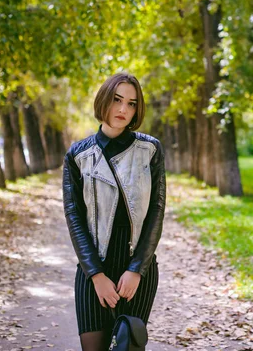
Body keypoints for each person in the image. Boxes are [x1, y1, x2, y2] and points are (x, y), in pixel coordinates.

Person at [62, 72, 166, 350]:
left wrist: (136, 269)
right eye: (117, 100)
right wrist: (96, 274)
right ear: (103, 100)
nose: (123, 109)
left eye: (132, 103)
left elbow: (157, 212)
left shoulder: (150, 149)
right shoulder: (77, 155)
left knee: (127, 346)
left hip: (137, 268)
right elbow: (74, 219)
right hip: (94, 266)